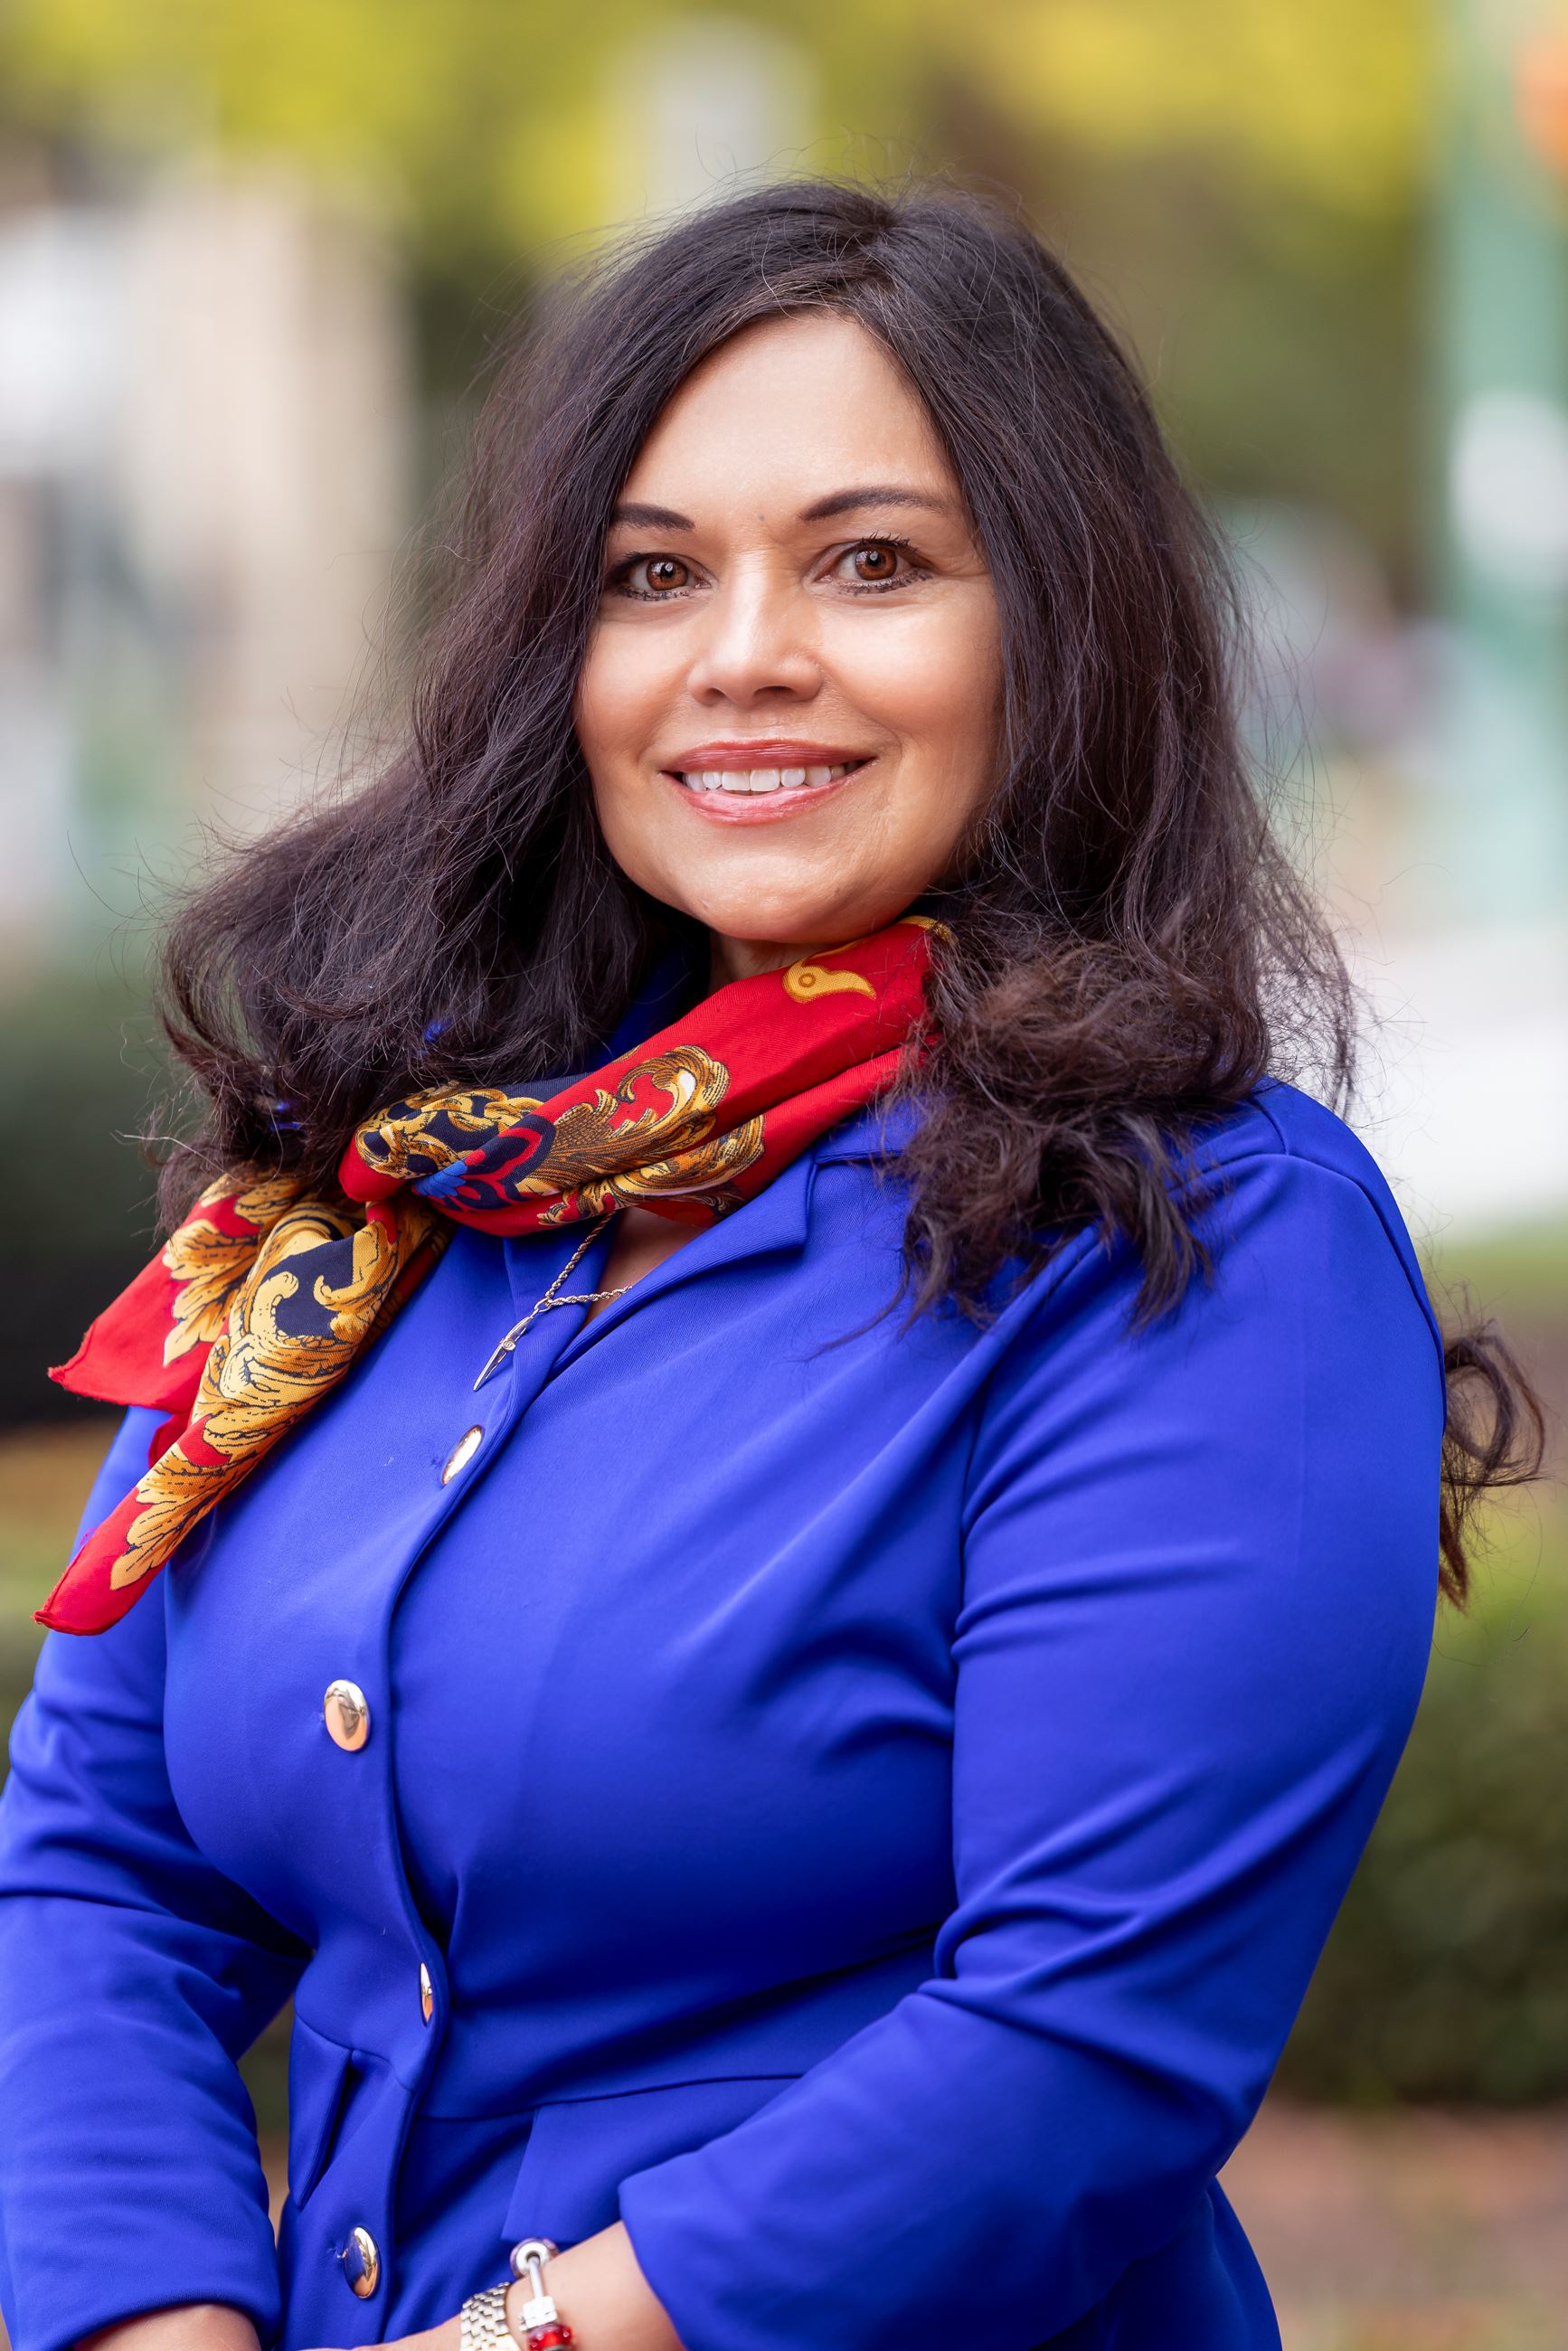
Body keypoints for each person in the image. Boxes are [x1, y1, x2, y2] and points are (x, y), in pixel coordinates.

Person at [0, 180, 1538, 2351]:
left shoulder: (1197, 1234)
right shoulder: (393, 1188)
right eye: (651, 574)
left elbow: (1081, 2043)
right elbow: (102, 1857)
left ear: (1060, 626)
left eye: (873, 562)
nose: (745, 652)